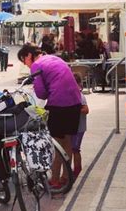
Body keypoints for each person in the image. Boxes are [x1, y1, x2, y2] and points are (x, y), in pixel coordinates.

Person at [17, 43, 82, 188]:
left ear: (29, 55)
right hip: (75, 102)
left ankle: (55, 179)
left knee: (55, 143)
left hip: (59, 104)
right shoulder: (55, 59)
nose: (26, 65)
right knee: (67, 141)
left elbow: (40, 93)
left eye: (24, 60)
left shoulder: (36, 65)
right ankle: (66, 177)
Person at [71, 73, 89, 179]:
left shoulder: (80, 96)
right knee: (71, 149)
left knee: (75, 149)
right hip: (73, 127)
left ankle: (77, 171)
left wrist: (72, 110)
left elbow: (86, 110)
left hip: (79, 128)